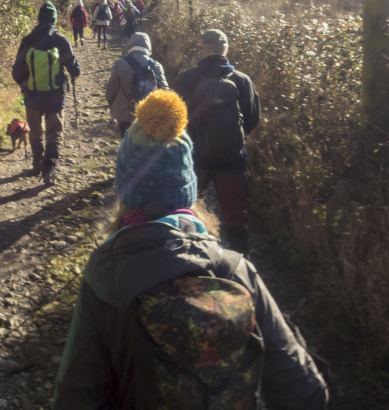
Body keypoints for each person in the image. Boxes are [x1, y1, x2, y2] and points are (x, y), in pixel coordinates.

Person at [53, 90, 329, 410]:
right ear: (189, 189)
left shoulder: (104, 277)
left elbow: (75, 396)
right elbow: (305, 390)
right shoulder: (233, 269)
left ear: (124, 191)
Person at [173, 29, 260, 254]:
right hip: (232, 159)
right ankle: (241, 262)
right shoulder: (242, 80)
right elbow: (252, 118)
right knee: (235, 215)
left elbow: (176, 117)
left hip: (195, 158)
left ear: (202, 49)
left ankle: (189, 258)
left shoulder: (187, 78)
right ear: (225, 49)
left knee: (188, 208)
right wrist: (231, 140)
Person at [12, 1, 81, 184]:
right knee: (54, 131)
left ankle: (36, 164)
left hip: (33, 96)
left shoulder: (27, 41)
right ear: (54, 20)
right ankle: (49, 170)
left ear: (39, 19)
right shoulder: (60, 41)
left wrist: (26, 85)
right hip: (55, 95)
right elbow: (74, 69)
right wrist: (73, 72)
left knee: (35, 131)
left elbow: (16, 72)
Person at [105, 32, 168, 138]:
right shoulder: (156, 66)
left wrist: (112, 105)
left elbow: (111, 90)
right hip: (149, 114)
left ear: (131, 45)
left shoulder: (120, 64)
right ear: (148, 46)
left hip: (125, 114)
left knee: (127, 142)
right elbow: (165, 91)